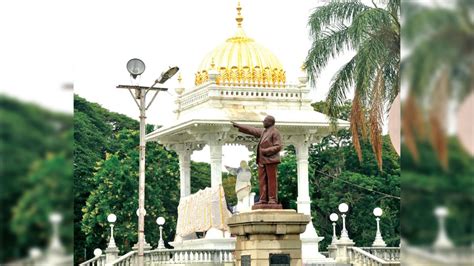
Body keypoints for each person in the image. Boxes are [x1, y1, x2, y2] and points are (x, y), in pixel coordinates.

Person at [231, 115, 283, 209]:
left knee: (271, 180)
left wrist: (266, 151)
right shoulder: (264, 132)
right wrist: (239, 126)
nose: (263, 122)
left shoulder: (275, 132)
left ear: (270, 122)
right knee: (262, 180)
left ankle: (272, 199)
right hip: (261, 161)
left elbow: (278, 146)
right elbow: (252, 130)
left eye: (265, 121)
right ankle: (263, 199)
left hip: (270, 160)